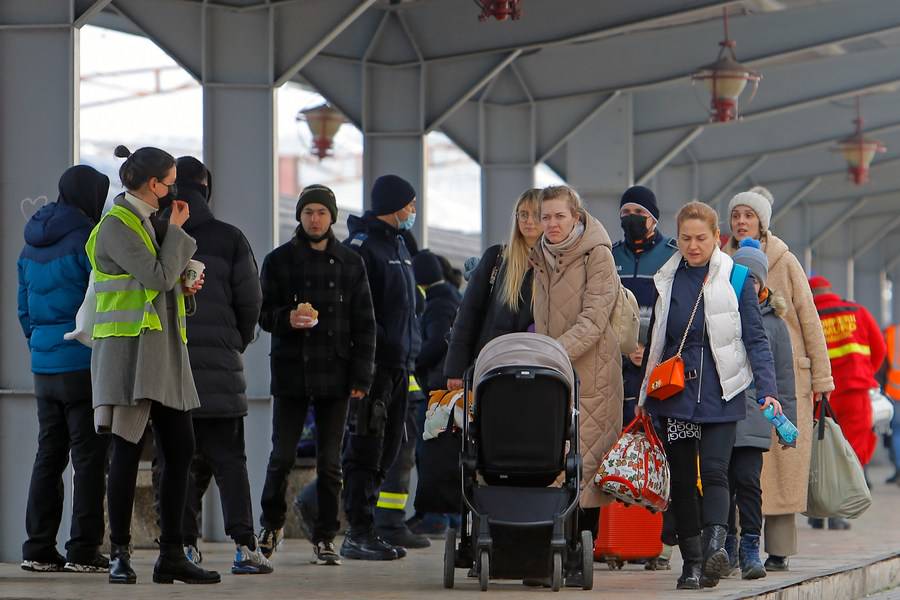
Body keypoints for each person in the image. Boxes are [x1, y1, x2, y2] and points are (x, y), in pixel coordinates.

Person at [90, 145, 219, 585]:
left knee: (180, 448)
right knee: (126, 452)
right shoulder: (118, 226)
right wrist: (178, 234)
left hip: (161, 356)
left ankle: (171, 554)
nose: (171, 191)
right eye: (169, 183)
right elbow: (157, 276)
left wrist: (186, 282)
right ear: (152, 184)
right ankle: (120, 553)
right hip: (129, 357)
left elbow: (162, 282)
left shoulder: (146, 223)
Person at [637, 201, 778, 591]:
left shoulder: (736, 278)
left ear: (717, 238)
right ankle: (693, 563)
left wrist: (768, 390)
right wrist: (644, 395)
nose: (693, 246)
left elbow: (756, 339)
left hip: (722, 393)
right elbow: (657, 340)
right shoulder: (666, 278)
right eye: (685, 238)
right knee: (682, 480)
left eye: (701, 238)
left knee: (716, 472)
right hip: (677, 396)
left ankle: (717, 544)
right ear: (676, 239)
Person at [257, 184, 376, 565]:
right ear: (299, 217)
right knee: (281, 456)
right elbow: (261, 315)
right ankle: (271, 523)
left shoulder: (350, 263)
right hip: (292, 369)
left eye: (321, 212)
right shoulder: (278, 261)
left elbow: (365, 324)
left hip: (337, 372)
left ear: (332, 217)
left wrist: (362, 378)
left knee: (330, 462)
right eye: (308, 212)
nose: (314, 219)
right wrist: (286, 319)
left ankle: (326, 536)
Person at [168, 156, 270, 574]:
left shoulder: (156, 234)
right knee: (230, 461)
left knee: (178, 463)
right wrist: (235, 342)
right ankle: (245, 547)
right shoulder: (230, 238)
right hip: (222, 370)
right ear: (206, 188)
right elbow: (251, 303)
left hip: (170, 369)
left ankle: (185, 547)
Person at [726, 186, 834, 570]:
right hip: (738, 381)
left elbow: (809, 319)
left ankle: (779, 550)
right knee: (742, 467)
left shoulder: (784, 260)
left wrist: (821, 378)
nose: (741, 222)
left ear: (762, 222)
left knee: (781, 467)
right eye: (736, 215)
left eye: (749, 215)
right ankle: (737, 546)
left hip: (786, 380)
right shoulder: (721, 260)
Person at [17, 165, 111, 573]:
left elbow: (24, 308)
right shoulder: (89, 238)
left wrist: (40, 346)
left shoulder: (30, 243)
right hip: (82, 361)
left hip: (44, 364)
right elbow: (98, 302)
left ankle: (38, 547)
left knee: (48, 455)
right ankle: (83, 550)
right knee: (89, 458)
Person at [529, 184, 623, 588]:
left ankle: (576, 553)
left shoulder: (597, 255)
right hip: (555, 376)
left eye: (559, 216)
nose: (551, 224)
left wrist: (550, 352)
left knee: (586, 465)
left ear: (576, 216)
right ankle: (549, 550)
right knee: (553, 461)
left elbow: (594, 318)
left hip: (593, 375)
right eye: (545, 217)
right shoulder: (542, 257)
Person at [342, 174, 421, 560]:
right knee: (366, 447)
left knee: (389, 448)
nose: (413, 212)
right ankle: (357, 529)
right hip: (373, 366)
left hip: (399, 366)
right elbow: (360, 309)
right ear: (393, 205)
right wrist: (378, 349)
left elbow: (407, 308)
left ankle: (367, 527)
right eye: (410, 204)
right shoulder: (364, 247)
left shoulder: (401, 246)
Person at [726, 239, 797, 580]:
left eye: (754, 279)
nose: (748, 285)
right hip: (720, 414)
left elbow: (783, 378)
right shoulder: (721, 311)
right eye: (743, 277)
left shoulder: (775, 325)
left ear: (763, 283)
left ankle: (750, 547)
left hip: (755, 417)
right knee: (719, 483)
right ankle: (726, 545)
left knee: (748, 483)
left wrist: (789, 423)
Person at [808, 275, 886, 528]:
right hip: (854, 391)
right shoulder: (856, 311)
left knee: (819, 449)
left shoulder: (809, 315)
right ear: (831, 289)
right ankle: (839, 511)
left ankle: (818, 511)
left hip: (820, 393)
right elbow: (879, 348)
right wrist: (865, 373)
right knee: (850, 449)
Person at [444, 188, 541, 390]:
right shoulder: (496, 258)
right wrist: (456, 370)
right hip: (489, 365)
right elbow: (468, 314)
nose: (529, 221)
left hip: (538, 367)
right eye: (523, 214)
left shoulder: (558, 264)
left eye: (536, 214)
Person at [612, 185, 678, 311]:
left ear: (653, 219)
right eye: (626, 212)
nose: (631, 218)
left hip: (657, 330)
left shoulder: (674, 252)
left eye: (639, 212)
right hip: (622, 330)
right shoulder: (611, 254)